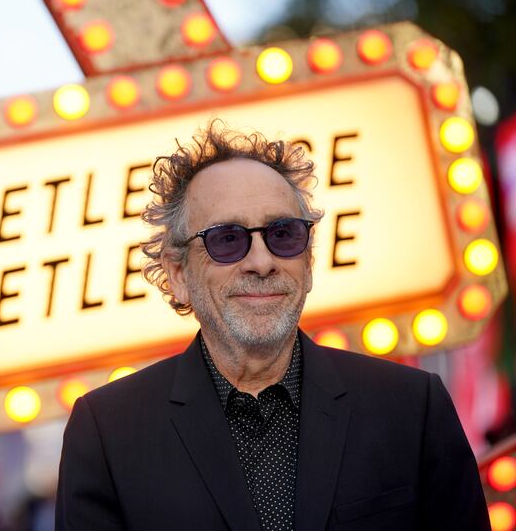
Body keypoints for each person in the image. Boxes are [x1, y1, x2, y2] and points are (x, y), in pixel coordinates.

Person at [55, 123, 490, 531]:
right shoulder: (108, 431)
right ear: (178, 274)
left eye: (283, 234)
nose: (261, 262)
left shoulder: (411, 407)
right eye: (227, 239)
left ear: (309, 260)